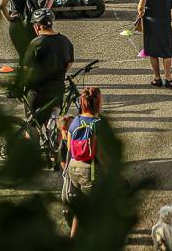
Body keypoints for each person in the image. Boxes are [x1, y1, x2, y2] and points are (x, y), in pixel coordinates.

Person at [20, 8, 74, 125]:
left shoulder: (36, 43)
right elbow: (69, 63)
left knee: (32, 128)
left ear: (38, 26)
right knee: (56, 126)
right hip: (56, 92)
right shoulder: (65, 41)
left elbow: (26, 70)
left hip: (37, 93)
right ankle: (56, 142)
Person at [61, 87, 102, 238]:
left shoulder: (75, 122)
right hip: (89, 170)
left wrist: (66, 172)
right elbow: (101, 153)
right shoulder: (98, 123)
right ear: (97, 103)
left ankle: (73, 239)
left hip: (73, 167)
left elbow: (69, 148)